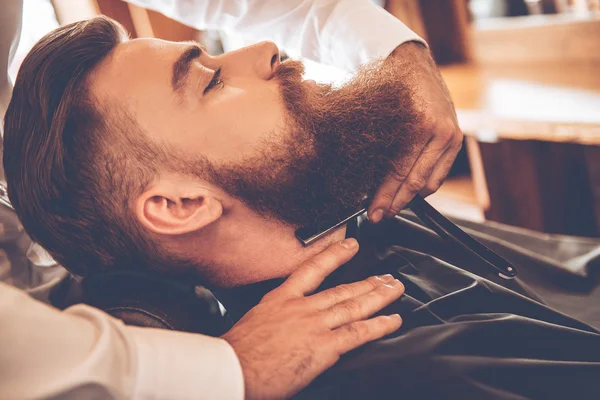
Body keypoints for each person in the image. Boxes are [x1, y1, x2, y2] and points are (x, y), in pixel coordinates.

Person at [4, 12, 600, 400]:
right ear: (181, 204)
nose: (263, 49)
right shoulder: (408, 375)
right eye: (209, 81)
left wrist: (397, 48)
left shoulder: (361, 215)